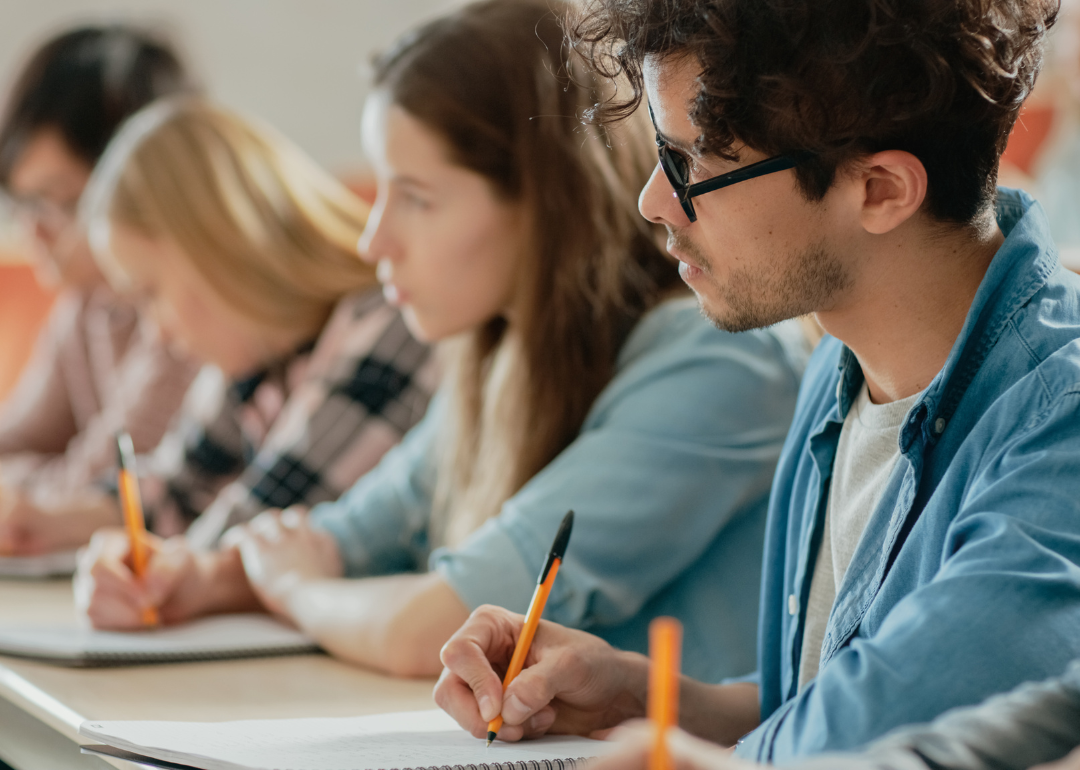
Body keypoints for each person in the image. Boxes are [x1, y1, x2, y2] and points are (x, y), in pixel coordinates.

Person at [74, 0, 808, 681]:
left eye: (416, 198)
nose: (373, 238)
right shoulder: (498, 356)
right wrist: (196, 578)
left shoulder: (716, 362)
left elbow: (431, 624)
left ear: (545, 201)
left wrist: (292, 588)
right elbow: (349, 533)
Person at [434, 0, 1080, 761]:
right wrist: (651, 698)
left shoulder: (1058, 436)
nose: (653, 200)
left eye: (691, 163)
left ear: (880, 190)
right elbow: (825, 702)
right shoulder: (840, 361)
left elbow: (885, 740)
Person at [17, 98, 435, 554]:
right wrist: (40, 520)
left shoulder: (390, 326)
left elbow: (259, 521)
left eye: (151, 293)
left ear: (217, 249)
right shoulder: (256, 362)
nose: (156, 333)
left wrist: (150, 568)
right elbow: (176, 492)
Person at [0, 26, 200, 554]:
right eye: (23, 204)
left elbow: (105, 485)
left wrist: (34, 493)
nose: (33, 232)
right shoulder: (86, 303)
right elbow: (17, 440)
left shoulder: (184, 311)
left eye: (58, 202)